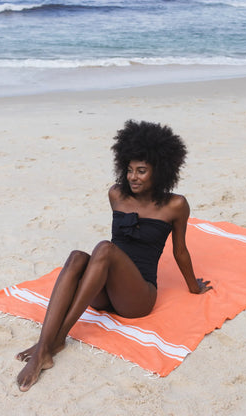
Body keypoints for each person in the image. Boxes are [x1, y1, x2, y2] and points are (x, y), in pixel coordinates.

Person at [16, 120, 212, 391]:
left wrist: (194, 286)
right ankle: (46, 342)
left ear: (160, 171)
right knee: (76, 257)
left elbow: (180, 251)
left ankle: (51, 345)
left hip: (137, 298)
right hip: (102, 292)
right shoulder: (116, 194)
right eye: (130, 170)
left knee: (105, 249)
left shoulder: (175, 205)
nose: (133, 177)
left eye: (142, 171)